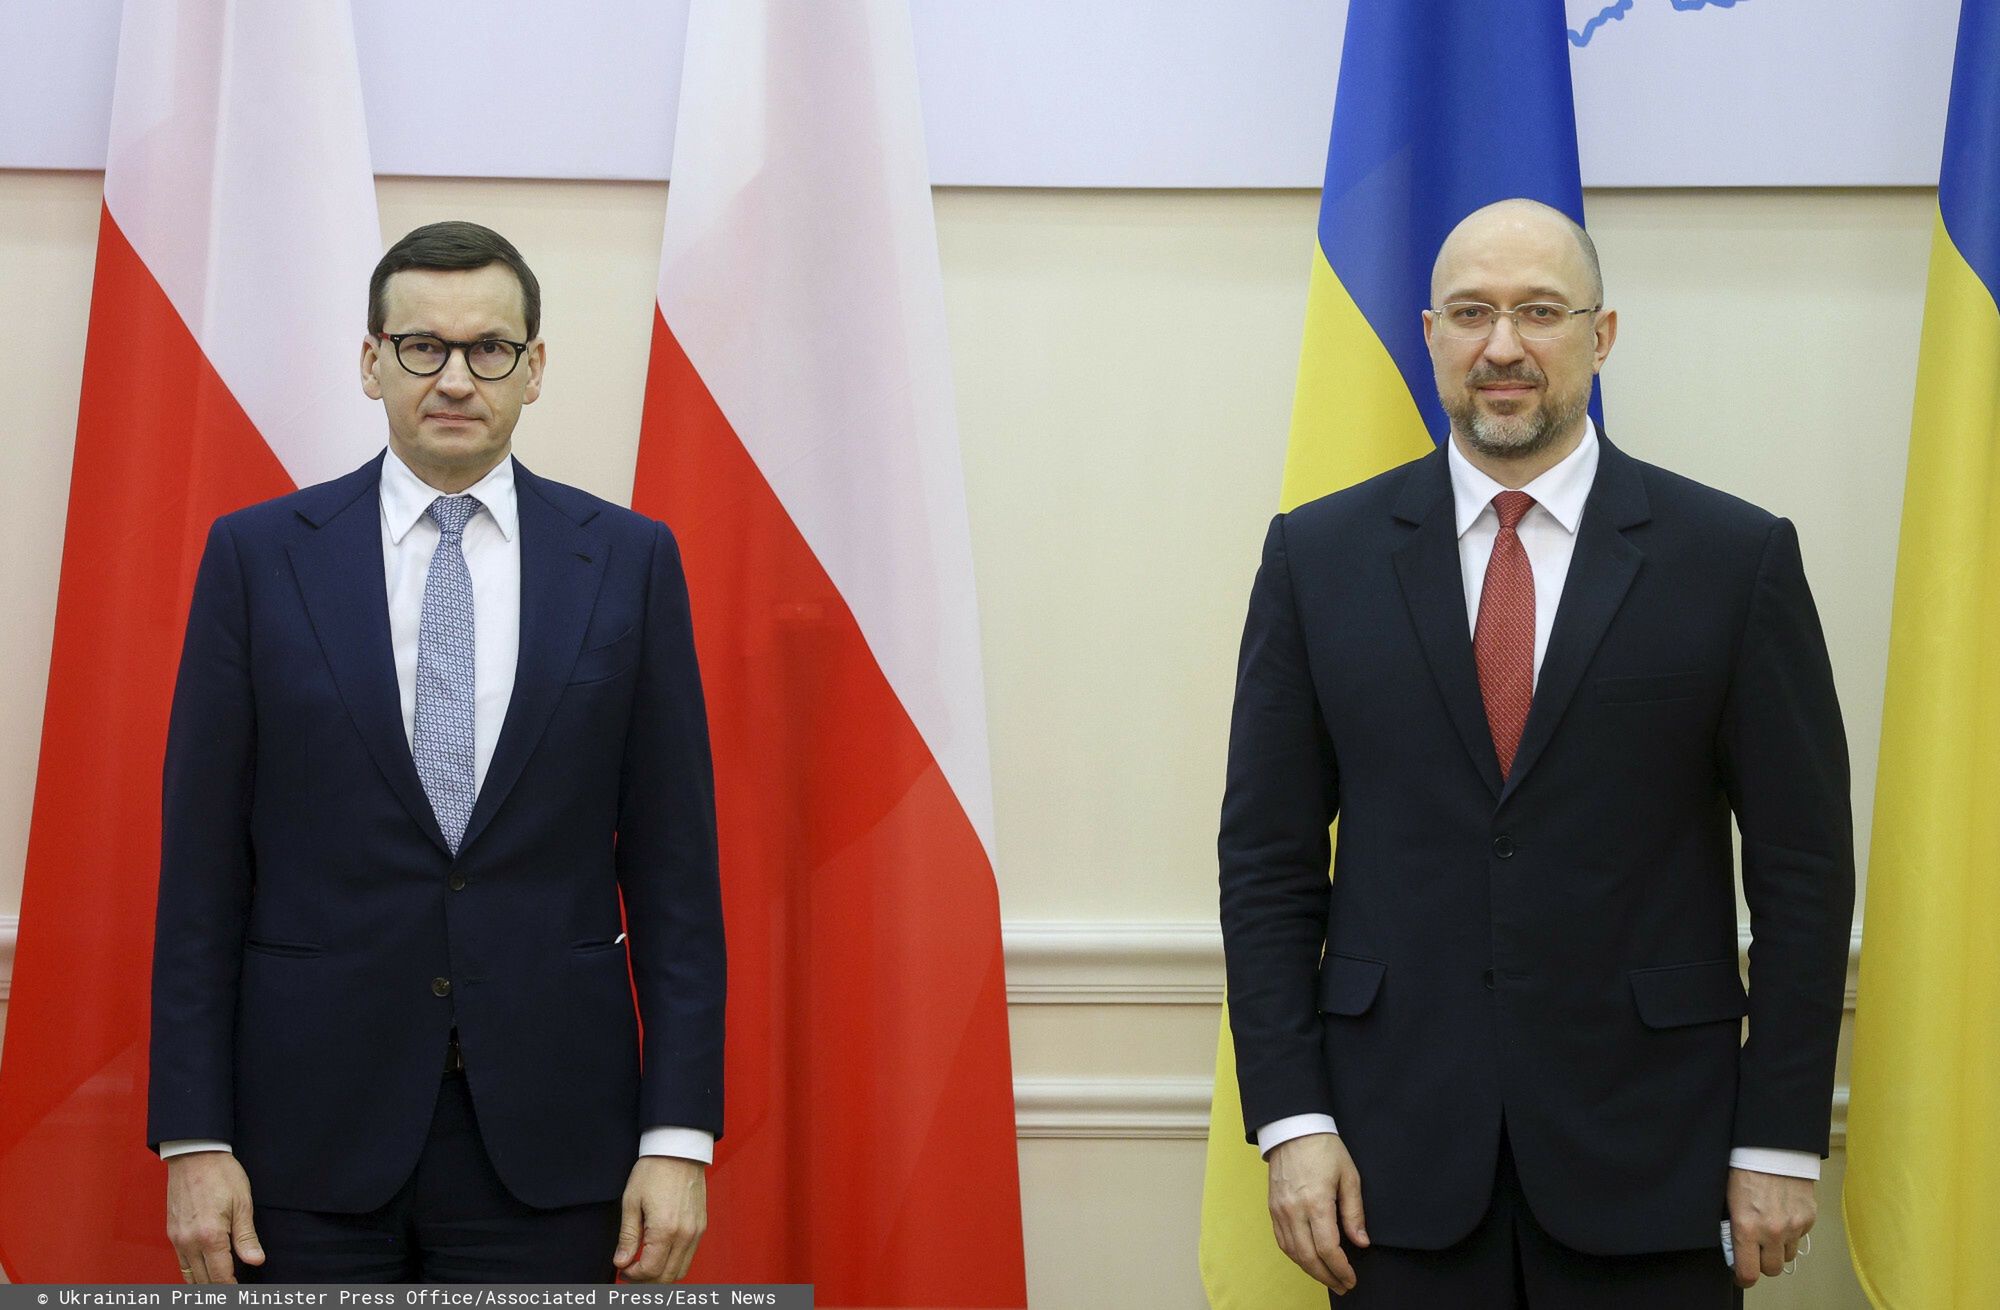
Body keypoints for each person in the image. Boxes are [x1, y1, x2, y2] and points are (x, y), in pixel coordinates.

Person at [1218, 199, 1853, 1307]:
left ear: (1599, 336)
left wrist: (1780, 1136)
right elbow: (1267, 863)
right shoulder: (1316, 557)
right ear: (1428, 334)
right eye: (1470, 313)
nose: (1501, 346)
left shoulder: (1730, 557)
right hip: (1387, 1162)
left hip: (1660, 1156)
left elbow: (1801, 872)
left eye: (1537, 312)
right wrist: (1293, 1119)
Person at [147, 221, 724, 1284]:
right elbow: (199, 876)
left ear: (533, 368)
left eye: (488, 349)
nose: (455, 377)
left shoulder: (631, 562)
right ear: (371, 362)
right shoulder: (258, 557)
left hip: (554, 1142)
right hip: (301, 1143)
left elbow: (676, 879)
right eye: (421, 347)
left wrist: (677, 1138)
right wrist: (194, 1135)